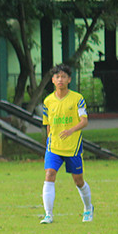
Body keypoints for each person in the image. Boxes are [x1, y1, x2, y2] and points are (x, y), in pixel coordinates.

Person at [40, 64, 92, 224]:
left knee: (78, 181)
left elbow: (84, 121)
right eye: (57, 77)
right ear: (52, 80)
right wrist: (49, 141)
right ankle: (48, 215)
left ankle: (88, 208)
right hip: (54, 146)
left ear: (69, 79)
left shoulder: (77, 99)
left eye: (63, 76)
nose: (60, 79)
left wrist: (71, 130)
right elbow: (48, 124)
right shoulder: (48, 101)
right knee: (49, 174)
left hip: (72, 147)